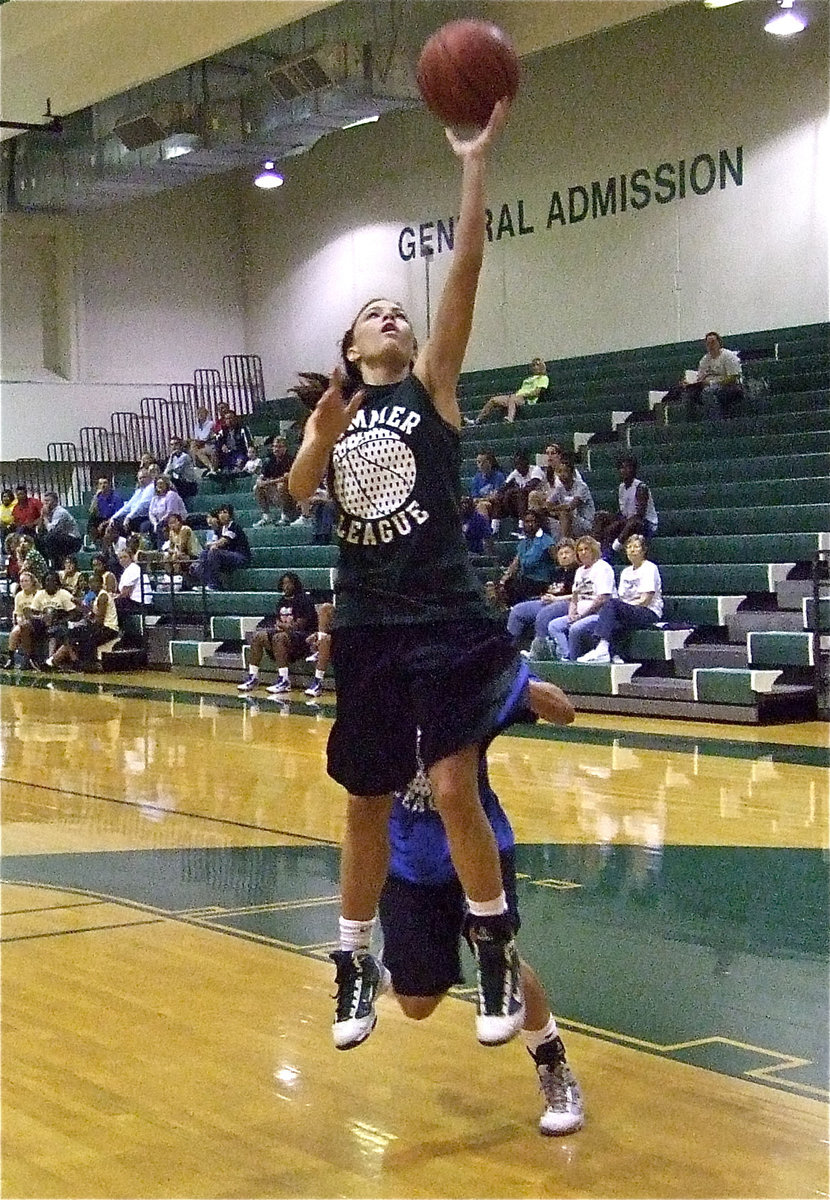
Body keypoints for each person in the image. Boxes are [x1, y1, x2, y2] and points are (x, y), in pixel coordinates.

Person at [288, 99, 528, 1052]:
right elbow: (298, 489)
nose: (391, 313)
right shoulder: (339, 412)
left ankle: (495, 940)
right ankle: (352, 959)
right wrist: (315, 439)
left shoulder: (433, 389)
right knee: (366, 800)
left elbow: (465, 264)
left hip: (447, 614)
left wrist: (473, 162)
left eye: (399, 308)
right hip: (371, 623)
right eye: (372, 313)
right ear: (352, 349)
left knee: (456, 784)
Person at [376, 665, 584, 1137]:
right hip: (407, 860)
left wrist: (518, 684)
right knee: (416, 1004)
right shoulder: (377, 690)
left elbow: (564, 712)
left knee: (499, 954)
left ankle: (553, 1064)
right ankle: (400, 963)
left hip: (479, 848)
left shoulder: (462, 685)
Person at [578, 535, 663, 663]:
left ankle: (602, 649)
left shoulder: (650, 568)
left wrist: (623, 607)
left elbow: (645, 600)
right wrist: (623, 608)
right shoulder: (626, 572)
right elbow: (622, 598)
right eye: (629, 547)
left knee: (611, 604)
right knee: (610, 613)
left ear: (643, 550)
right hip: (630, 610)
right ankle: (612, 654)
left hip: (648, 612)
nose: (632, 550)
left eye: (636, 547)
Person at [237, 572, 318, 694]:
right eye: (284, 583)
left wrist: (283, 626)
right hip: (287, 635)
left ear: (295, 584)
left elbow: (300, 626)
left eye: (289, 583)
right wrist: (281, 627)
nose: (286, 586)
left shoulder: (304, 599)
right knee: (258, 636)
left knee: (279, 638)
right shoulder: (281, 601)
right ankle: (253, 676)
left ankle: (284, 680)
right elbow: (278, 623)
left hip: (304, 637)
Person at [547, 536, 615, 661]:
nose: (583, 553)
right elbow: (574, 597)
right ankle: (566, 656)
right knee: (554, 626)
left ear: (593, 550)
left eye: (586, 549)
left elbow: (602, 599)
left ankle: (573, 660)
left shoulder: (603, 568)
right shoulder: (579, 571)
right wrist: (572, 613)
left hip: (598, 614)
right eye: (580, 550)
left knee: (576, 628)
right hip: (579, 613)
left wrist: (581, 616)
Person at [506, 538, 578, 657]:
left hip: (568, 603)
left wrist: (556, 599)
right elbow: (550, 590)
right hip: (549, 602)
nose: (564, 556)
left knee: (544, 614)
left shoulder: (579, 571)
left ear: (574, 554)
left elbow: (579, 595)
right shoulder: (556, 572)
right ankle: (510, 650)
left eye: (567, 553)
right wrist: (545, 597)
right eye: (561, 554)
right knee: (518, 610)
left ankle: (540, 652)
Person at [46, 570, 121, 671]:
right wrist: (82, 607)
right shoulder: (97, 596)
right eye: (90, 583)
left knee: (84, 635)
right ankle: (68, 661)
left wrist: (87, 620)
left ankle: (86, 664)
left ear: (101, 583)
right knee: (71, 634)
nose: (92, 585)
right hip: (101, 626)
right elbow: (92, 615)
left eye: (95, 582)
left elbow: (99, 621)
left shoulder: (103, 596)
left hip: (109, 628)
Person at [593, 455, 658, 558]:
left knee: (633, 522)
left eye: (628, 467)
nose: (624, 470)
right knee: (600, 516)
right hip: (627, 520)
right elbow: (622, 511)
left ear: (634, 470)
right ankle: (596, 547)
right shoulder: (621, 487)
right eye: (622, 468)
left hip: (645, 524)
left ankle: (613, 548)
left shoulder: (641, 487)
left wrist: (620, 523)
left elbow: (640, 515)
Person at [498, 510, 558, 604]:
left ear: (538, 523)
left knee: (519, 586)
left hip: (541, 582)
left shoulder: (547, 541)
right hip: (525, 580)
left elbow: (557, 562)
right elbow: (515, 564)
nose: (530, 524)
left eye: (533, 521)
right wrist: (503, 580)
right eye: (527, 521)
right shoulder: (523, 543)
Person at [681, 331, 743, 420]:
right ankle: (690, 423)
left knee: (708, 392)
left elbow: (733, 377)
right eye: (708, 343)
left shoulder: (728, 356)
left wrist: (712, 383)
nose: (711, 345)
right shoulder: (704, 360)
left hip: (728, 386)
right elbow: (700, 378)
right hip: (708, 385)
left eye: (713, 342)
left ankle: (716, 422)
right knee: (688, 393)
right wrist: (690, 383)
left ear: (719, 343)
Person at [472, 358, 549, 424]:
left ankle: (510, 419)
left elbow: (537, 392)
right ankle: (477, 420)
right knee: (493, 400)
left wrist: (523, 395)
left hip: (526, 399)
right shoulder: (528, 379)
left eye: (537, 365)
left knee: (513, 398)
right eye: (533, 365)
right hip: (517, 396)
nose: (535, 367)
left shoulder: (543, 378)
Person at [193, 503, 251, 591]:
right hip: (226, 556)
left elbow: (223, 541)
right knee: (204, 553)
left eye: (225, 512)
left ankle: (214, 584)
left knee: (214, 552)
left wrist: (213, 545)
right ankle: (206, 583)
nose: (222, 515)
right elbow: (211, 544)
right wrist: (211, 545)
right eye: (220, 513)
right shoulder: (219, 529)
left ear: (230, 515)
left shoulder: (234, 526)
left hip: (240, 556)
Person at [490, 449, 547, 536]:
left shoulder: (535, 470)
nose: (518, 467)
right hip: (518, 505)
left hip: (535, 502)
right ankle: (494, 529)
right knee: (499, 498)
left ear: (526, 462)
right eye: (516, 464)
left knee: (521, 493)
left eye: (520, 463)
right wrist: (504, 494)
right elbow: (503, 488)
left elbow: (530, 487)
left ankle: (521, 527)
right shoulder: (516, 473)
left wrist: (512, 491)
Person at [544, 451, 595, 540]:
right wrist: (552, 508)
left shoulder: (581, 486)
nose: (562, 475)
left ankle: (565, 542)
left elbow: (570, 507)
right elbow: (548, 504)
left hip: (585, 523)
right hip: (569, 522)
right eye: (559, 472)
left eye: (565, 471)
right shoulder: (559, 488)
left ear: (572, 473)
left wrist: (554, 508)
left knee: (564, 514)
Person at [253, 435, 296, 526]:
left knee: (281, 485)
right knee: (256, 487)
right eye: (275, 446)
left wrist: (269, 482)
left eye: (279, 447)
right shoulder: (269, 460)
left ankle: (285, 515)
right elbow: (262, 476)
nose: (276, 449)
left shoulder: (290, 460)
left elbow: (286, 478)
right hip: (273, 492)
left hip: (290, 495)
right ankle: (266, 516)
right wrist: (259, 480)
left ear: (285, 448)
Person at [3, 571, 41, 669]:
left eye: (26, 581)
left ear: (32, 582)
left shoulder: (39, 594)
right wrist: (19, 619)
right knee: (15, 631)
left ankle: (29, 658)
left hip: (37, 622)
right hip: (24, 622)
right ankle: (11, 658)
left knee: (23, 627)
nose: (23, 583)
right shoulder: (19, 595)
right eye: (21, 581)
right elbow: (18, 613)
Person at [35, 492, 82, 569]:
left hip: (73, 540)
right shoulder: (48, 512)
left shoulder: (60, 512)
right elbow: (39, 530)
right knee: (38, 538)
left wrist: (45, 517)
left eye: (48, 501)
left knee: (50, 537)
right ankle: (45, 564)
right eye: (45, 501)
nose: (46, 503)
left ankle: (56, 564)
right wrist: (42, 516)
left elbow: (51, 530)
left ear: (55, 501)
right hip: (59, 538)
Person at [144, 476, 187, 548]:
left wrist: (159, 522)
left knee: (161, 526)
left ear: (166, 485)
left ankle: (161, 549)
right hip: (159, 521)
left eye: (161, 483)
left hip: (175, 520)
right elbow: (151, 513)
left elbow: (171, 512)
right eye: (158, 484)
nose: (159, 486)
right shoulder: (155, 498)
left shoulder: (171, 494)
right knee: (145, 526)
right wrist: (155, 523)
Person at [87, 477, 123, 546]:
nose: (103, 485)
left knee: (109, 526)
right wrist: (95, 497)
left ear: (109, 485)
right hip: (101, 519)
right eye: (100, 484)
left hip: (113, 520)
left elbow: (118, 515)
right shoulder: (98, 497)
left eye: (105, 483)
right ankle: (94, 543)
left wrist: (104, 523)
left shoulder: (116, 497)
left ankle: (106, 547)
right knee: (91, 520)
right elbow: (91, 511)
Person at [189, 405, 218, 473]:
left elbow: (206, 437)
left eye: (202, 413)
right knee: (193, 446)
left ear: (206, 414)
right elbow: (197, 437)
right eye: (198, 413)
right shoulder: (197, 426)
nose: (200, 415)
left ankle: (209, 467)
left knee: (196, 449)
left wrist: (197, 441)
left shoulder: (210, 424)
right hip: (201, 444)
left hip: (209, 444)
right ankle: (202, 466)